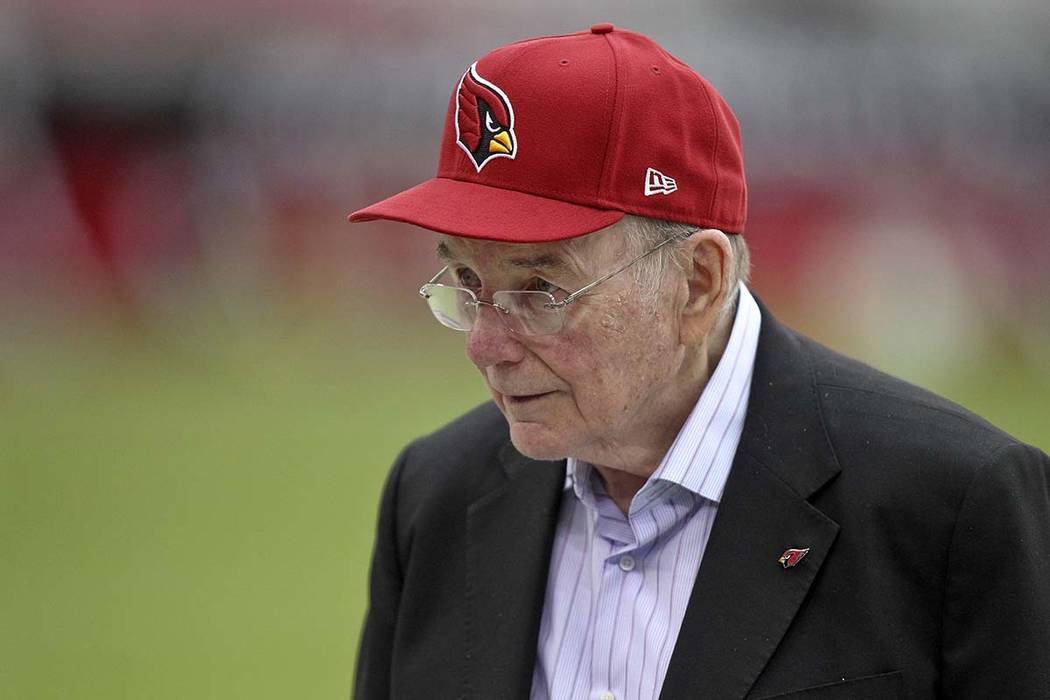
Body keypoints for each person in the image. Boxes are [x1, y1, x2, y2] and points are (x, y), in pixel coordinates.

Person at [347, 24, 1050, 700]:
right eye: (467, 286)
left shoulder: (955, 507)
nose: (484, 344)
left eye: (541, 290)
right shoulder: (434, 495)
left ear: (699, 281)